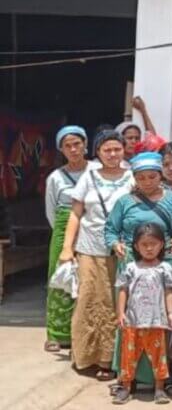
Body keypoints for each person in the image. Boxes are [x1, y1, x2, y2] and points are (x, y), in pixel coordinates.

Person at [60, 130, 134, 379]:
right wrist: (67, 247)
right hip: (90, 250)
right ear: (98, 152)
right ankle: (88, 357)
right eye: (107, 150)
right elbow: (75, 214)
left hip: (124, 251)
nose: (113, 154)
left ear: (124, 151)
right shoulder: (88, 177)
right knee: (90, 302)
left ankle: (111, 360)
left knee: (118, 304)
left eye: (117, 149)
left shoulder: (133, 177)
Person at [112, 223, 172, 405]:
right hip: (133, 320)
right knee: (128, 356)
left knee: (159, 355)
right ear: (136, 246)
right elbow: (123, 290)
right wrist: (120, 313)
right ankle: (125, 387)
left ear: (162, 245)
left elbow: (169, 292)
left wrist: (171, 313)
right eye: (144, 244)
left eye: (153, 244)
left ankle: (160, 389)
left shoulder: (165, 268)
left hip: (157, 320)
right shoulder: (131, 267)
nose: (149, 248)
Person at [43, 125, 88, 352]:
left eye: (77, 144)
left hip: (91, 227)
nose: (73, 149)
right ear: (61, 149)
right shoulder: (55, 178)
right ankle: (55, 334)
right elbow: (51, 211)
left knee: (87, 279)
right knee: (59, 277)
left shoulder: (96, 170)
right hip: (62, 228)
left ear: (85, 145)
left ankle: (80, 332)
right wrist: (64, 236)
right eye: (67, 145)